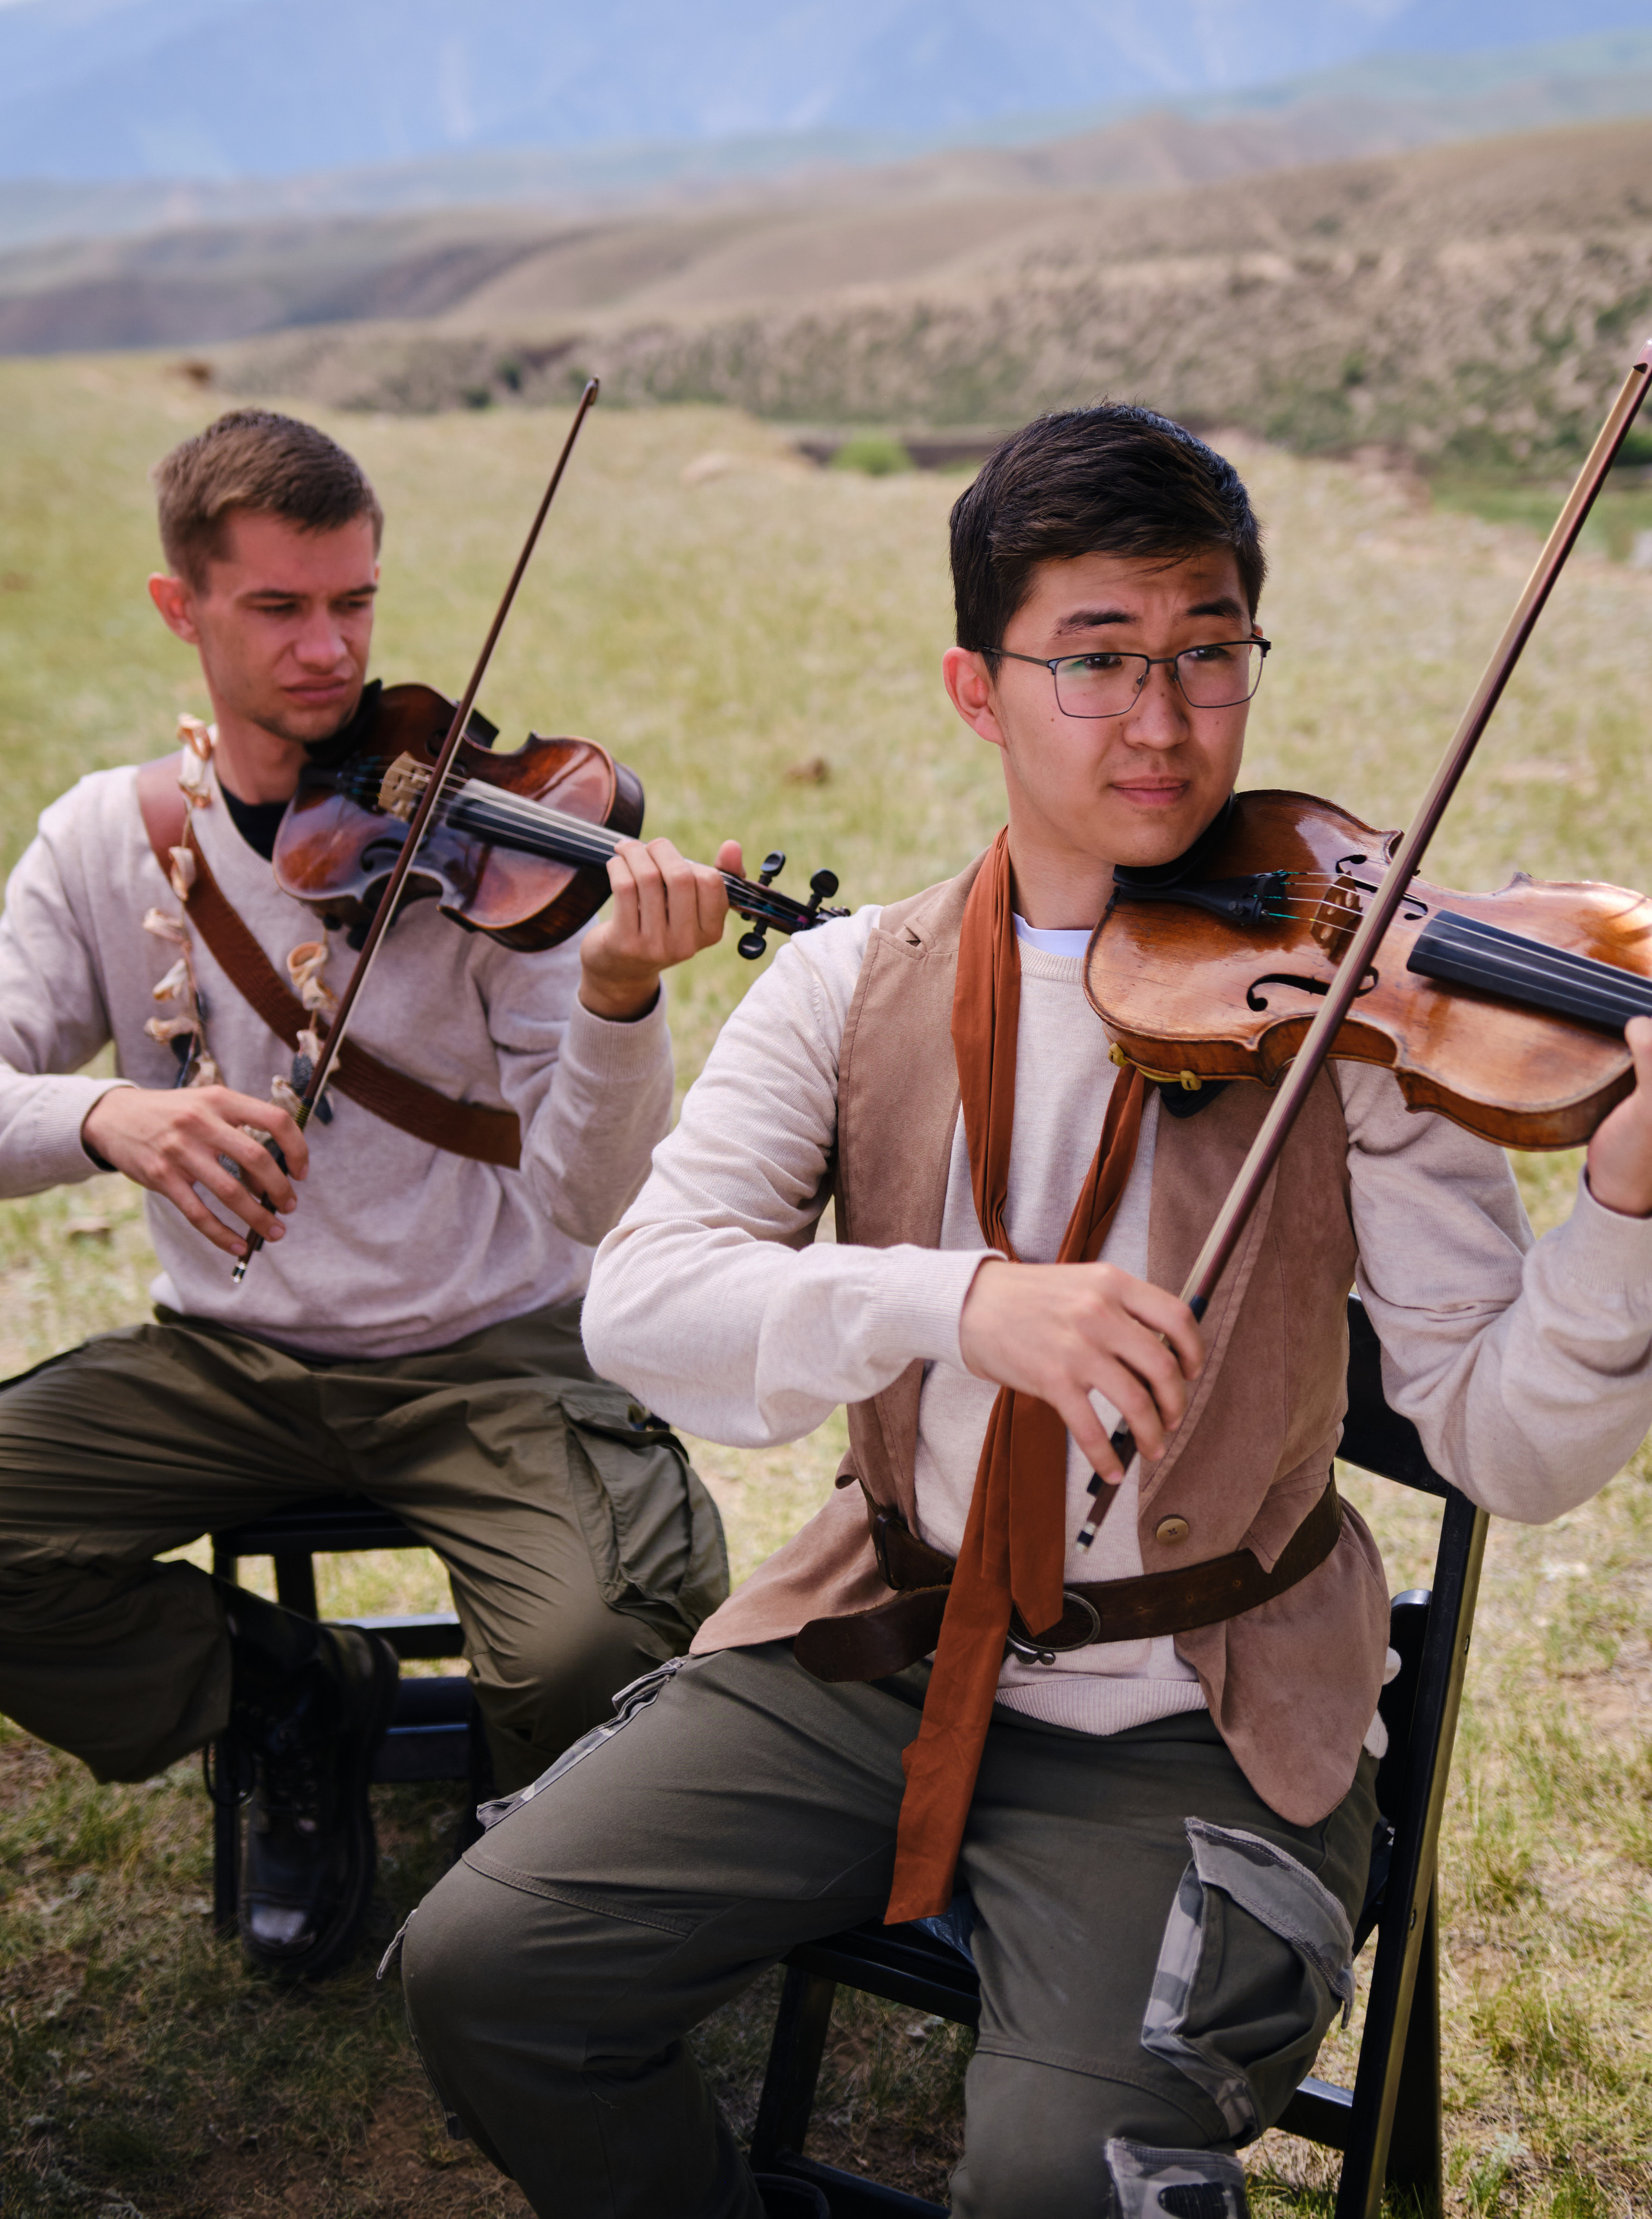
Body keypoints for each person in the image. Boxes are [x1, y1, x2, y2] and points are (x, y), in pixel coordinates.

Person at [395, 405, 1652, 2219]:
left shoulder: (1357, 1014)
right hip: (883, 1642)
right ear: (976, 691)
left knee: (1067, 2177)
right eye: (1097, 659)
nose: (1164, 721)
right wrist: (962, 1303)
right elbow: (645, 1305)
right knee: (486, 1973)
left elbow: (1510, 1452)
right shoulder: (848, 982)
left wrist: (1622, 1214)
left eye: (1209, 650)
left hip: (1202, 1707)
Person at [0, 408, 738, 1983]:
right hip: (227, 1360)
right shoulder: (105, 841)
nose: (330, 650)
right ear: (179, 606)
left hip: (492, 1351)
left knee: (602, 1634)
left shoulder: (495, 857)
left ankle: (540, 1895)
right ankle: (286, 1695)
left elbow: (594, 1194)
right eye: (278, 607)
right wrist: (105, 1114)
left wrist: (618, 998)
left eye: (355, 603)